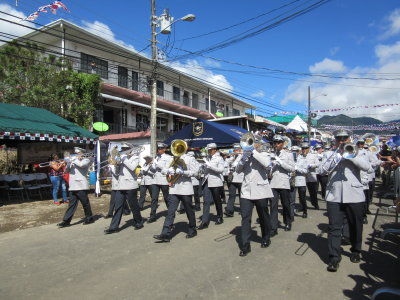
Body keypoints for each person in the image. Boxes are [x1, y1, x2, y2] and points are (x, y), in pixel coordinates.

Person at [319, 130, 370, 272]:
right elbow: (321, 170)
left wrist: (350, 156)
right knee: (334, 227)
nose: (341, 141)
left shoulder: (358, 152)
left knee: (355, 225)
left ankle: (355, 250)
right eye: (339, 139)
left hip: (354, 195)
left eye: (344, 138)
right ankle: (334, 257)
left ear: (349, 139)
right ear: (335, 140)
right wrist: (336, 157)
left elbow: (367, 167)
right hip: (334, 195)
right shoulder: (329, 154)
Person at [236, 138, 273, 256]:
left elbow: (267, 164)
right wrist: (243, 159)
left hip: (260, 190)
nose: (251, 145)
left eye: (254, 143)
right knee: (245, 217)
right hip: (246, 191)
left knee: (263, 215)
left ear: (258, 144)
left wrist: (254, 152)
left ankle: (266, 236)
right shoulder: (244, 154)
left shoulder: (264, 154)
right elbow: (237, 170)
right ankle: (245, 245)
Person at [153, 151, 197, 242]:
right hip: (174, 189)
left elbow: (195, 172)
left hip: (185, 188)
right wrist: (168, 171)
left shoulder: (189, 159)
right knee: (170, 212)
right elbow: (163, 170)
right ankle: (165, 234)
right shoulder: (170, 159)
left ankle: (192, 229)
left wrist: (183, 172)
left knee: (189, 210)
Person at [104, 147, 143, 234]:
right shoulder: (121, 158)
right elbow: (117, 173)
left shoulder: (135, 158)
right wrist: (116, 165)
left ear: (130, 150)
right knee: (118, 206)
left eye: (126, 149)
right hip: (120, 185)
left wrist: (124, 159)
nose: (124, 150)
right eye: (123, 149)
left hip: (130, 185)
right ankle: (113, 227)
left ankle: (139, 222)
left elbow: (133, 168)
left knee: (133, 205)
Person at [57, 147, 95, 227]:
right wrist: (68, 163)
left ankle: (89, 217)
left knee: (85, 203)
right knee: (71, 204)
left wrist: (73, 159)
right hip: (73, 185)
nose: (76, 155)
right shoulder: (73, 161)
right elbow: (66, 171)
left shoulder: (86, 160)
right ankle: (66, 221)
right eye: (75, 153)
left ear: (82, 153)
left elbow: (81, 165)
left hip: (81, 185)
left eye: (78, 153)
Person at [269, 135, 295, 235]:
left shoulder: (288, 154)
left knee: (286, 204)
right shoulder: (271, 154)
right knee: (273, 206)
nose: (276, 144)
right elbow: (268, 168)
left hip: (284, 182)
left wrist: (280, 162)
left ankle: (288, 222)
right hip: (273, 182)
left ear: (283, 143)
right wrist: (269, 166)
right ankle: (273, 227)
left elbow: (292, 168)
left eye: (279, 142)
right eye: (275, 143)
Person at [197, 143, 225, 230]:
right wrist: (201, 167)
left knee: (217, 200)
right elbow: (205, 170)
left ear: (214, 149)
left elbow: (221, 170)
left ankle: (220, 216)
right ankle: (204, 222)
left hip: (216, 182)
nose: (209, 151)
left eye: (210, 150)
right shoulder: (208, 158)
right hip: (206, 181)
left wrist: (210, 166)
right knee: (206, 201)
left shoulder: (219, 158)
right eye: (208, 150)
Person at [148, 143, 173, 223]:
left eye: (160, 148)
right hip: (155, 180)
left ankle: (171, 213)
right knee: (154, 199)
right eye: (158, 149)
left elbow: (167, 170)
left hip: (163, 180)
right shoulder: (156, 157)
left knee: (166, 198)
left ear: (164, 149)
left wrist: (157, 164)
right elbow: (154, 170)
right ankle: (152, 216)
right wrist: (151, 165)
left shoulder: (168, 157)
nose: (159, 150)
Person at [225, 144, 244, 217]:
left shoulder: (242, 156)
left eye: (236, 149)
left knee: (241, 195)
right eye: (234, 149)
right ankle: (229, 210)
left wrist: (239, 156)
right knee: (231, 195)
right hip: (233, 179)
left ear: (240, 149)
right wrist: (229, 158)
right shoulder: (233, 157)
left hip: (241, 178)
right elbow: (226, 164)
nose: (235, 150)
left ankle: (243, 210)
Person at [303, 144, 321, 210]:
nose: (304, 149)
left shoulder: (313, 155)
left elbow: (318, 164)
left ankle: (315, 204)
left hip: (311, 175)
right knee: (302, 193)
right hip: (303, 176)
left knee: (313, 192)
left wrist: (311, 165)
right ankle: (303, 206)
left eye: (306, 148)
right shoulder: (300, 156)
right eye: (303, 148)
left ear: (309, 148)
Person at [294, 145, 309, 218]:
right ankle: (291, 213)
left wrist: (297, 169)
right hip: (292, 180)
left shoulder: (303, 158)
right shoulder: (290, 158)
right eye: (293, 151)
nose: (295, 152)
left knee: (302, 197)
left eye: (296, 151)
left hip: (300, 180)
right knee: (291, 199)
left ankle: (305, 211)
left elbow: (305, 171)